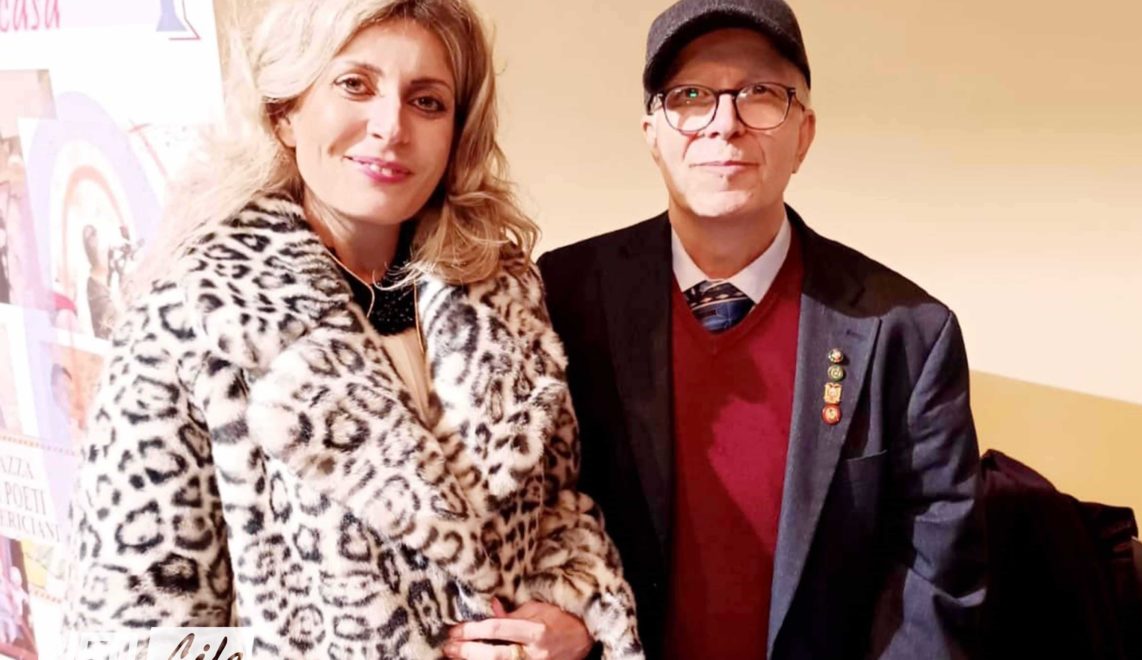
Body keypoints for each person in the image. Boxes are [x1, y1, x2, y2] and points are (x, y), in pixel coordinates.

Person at [62, 1, 642, 658]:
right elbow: (126, 639)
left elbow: (557, 508)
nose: (391, 127)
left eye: (427, 101)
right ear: (285, 112)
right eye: (355, 85)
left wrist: (572, 615)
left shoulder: (502, 292)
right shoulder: (193, 319)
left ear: (457, 131)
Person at [538, 0, 987, 658]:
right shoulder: (564, 296)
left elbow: (936, 583)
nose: (726, 124)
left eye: (761, 94)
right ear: (652, 134)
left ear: (804, 134)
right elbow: (531, 509)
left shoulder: (907, 334)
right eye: (691, 96)